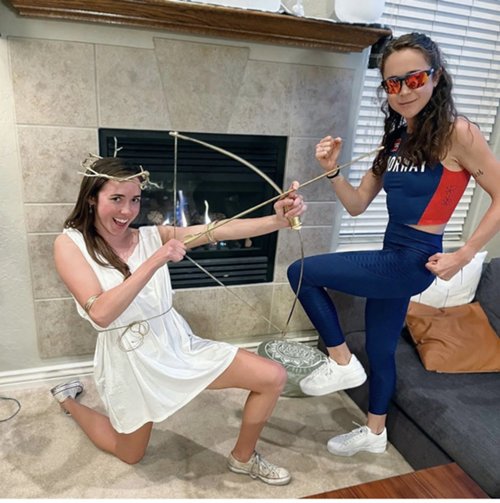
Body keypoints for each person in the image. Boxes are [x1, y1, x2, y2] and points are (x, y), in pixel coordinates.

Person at [287, 32, 500, 457]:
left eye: (414, 79)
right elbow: (356, 205)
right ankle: (375, 432)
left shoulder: (458, 133)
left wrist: (463, 255)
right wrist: (331, 170)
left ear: (436, 77)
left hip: (413, 260)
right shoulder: (396, 139)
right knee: (382, 348)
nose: (403, 91)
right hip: (392, 253)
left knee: (301, 272)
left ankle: (341, 362)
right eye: (392, 83)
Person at [50, 156, 306, 485]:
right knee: (130, 453)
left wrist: (277, 220)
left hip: (174, 342)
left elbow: (215, 230)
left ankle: (243, 458)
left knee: (272, 376)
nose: (127, 211)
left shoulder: (150, 235)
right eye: (116, 199)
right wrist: (155, 260)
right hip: (129, 358)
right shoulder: (69, 244)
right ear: (91, 198)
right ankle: (68, 400)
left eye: (135, 200)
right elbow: (100, 313)